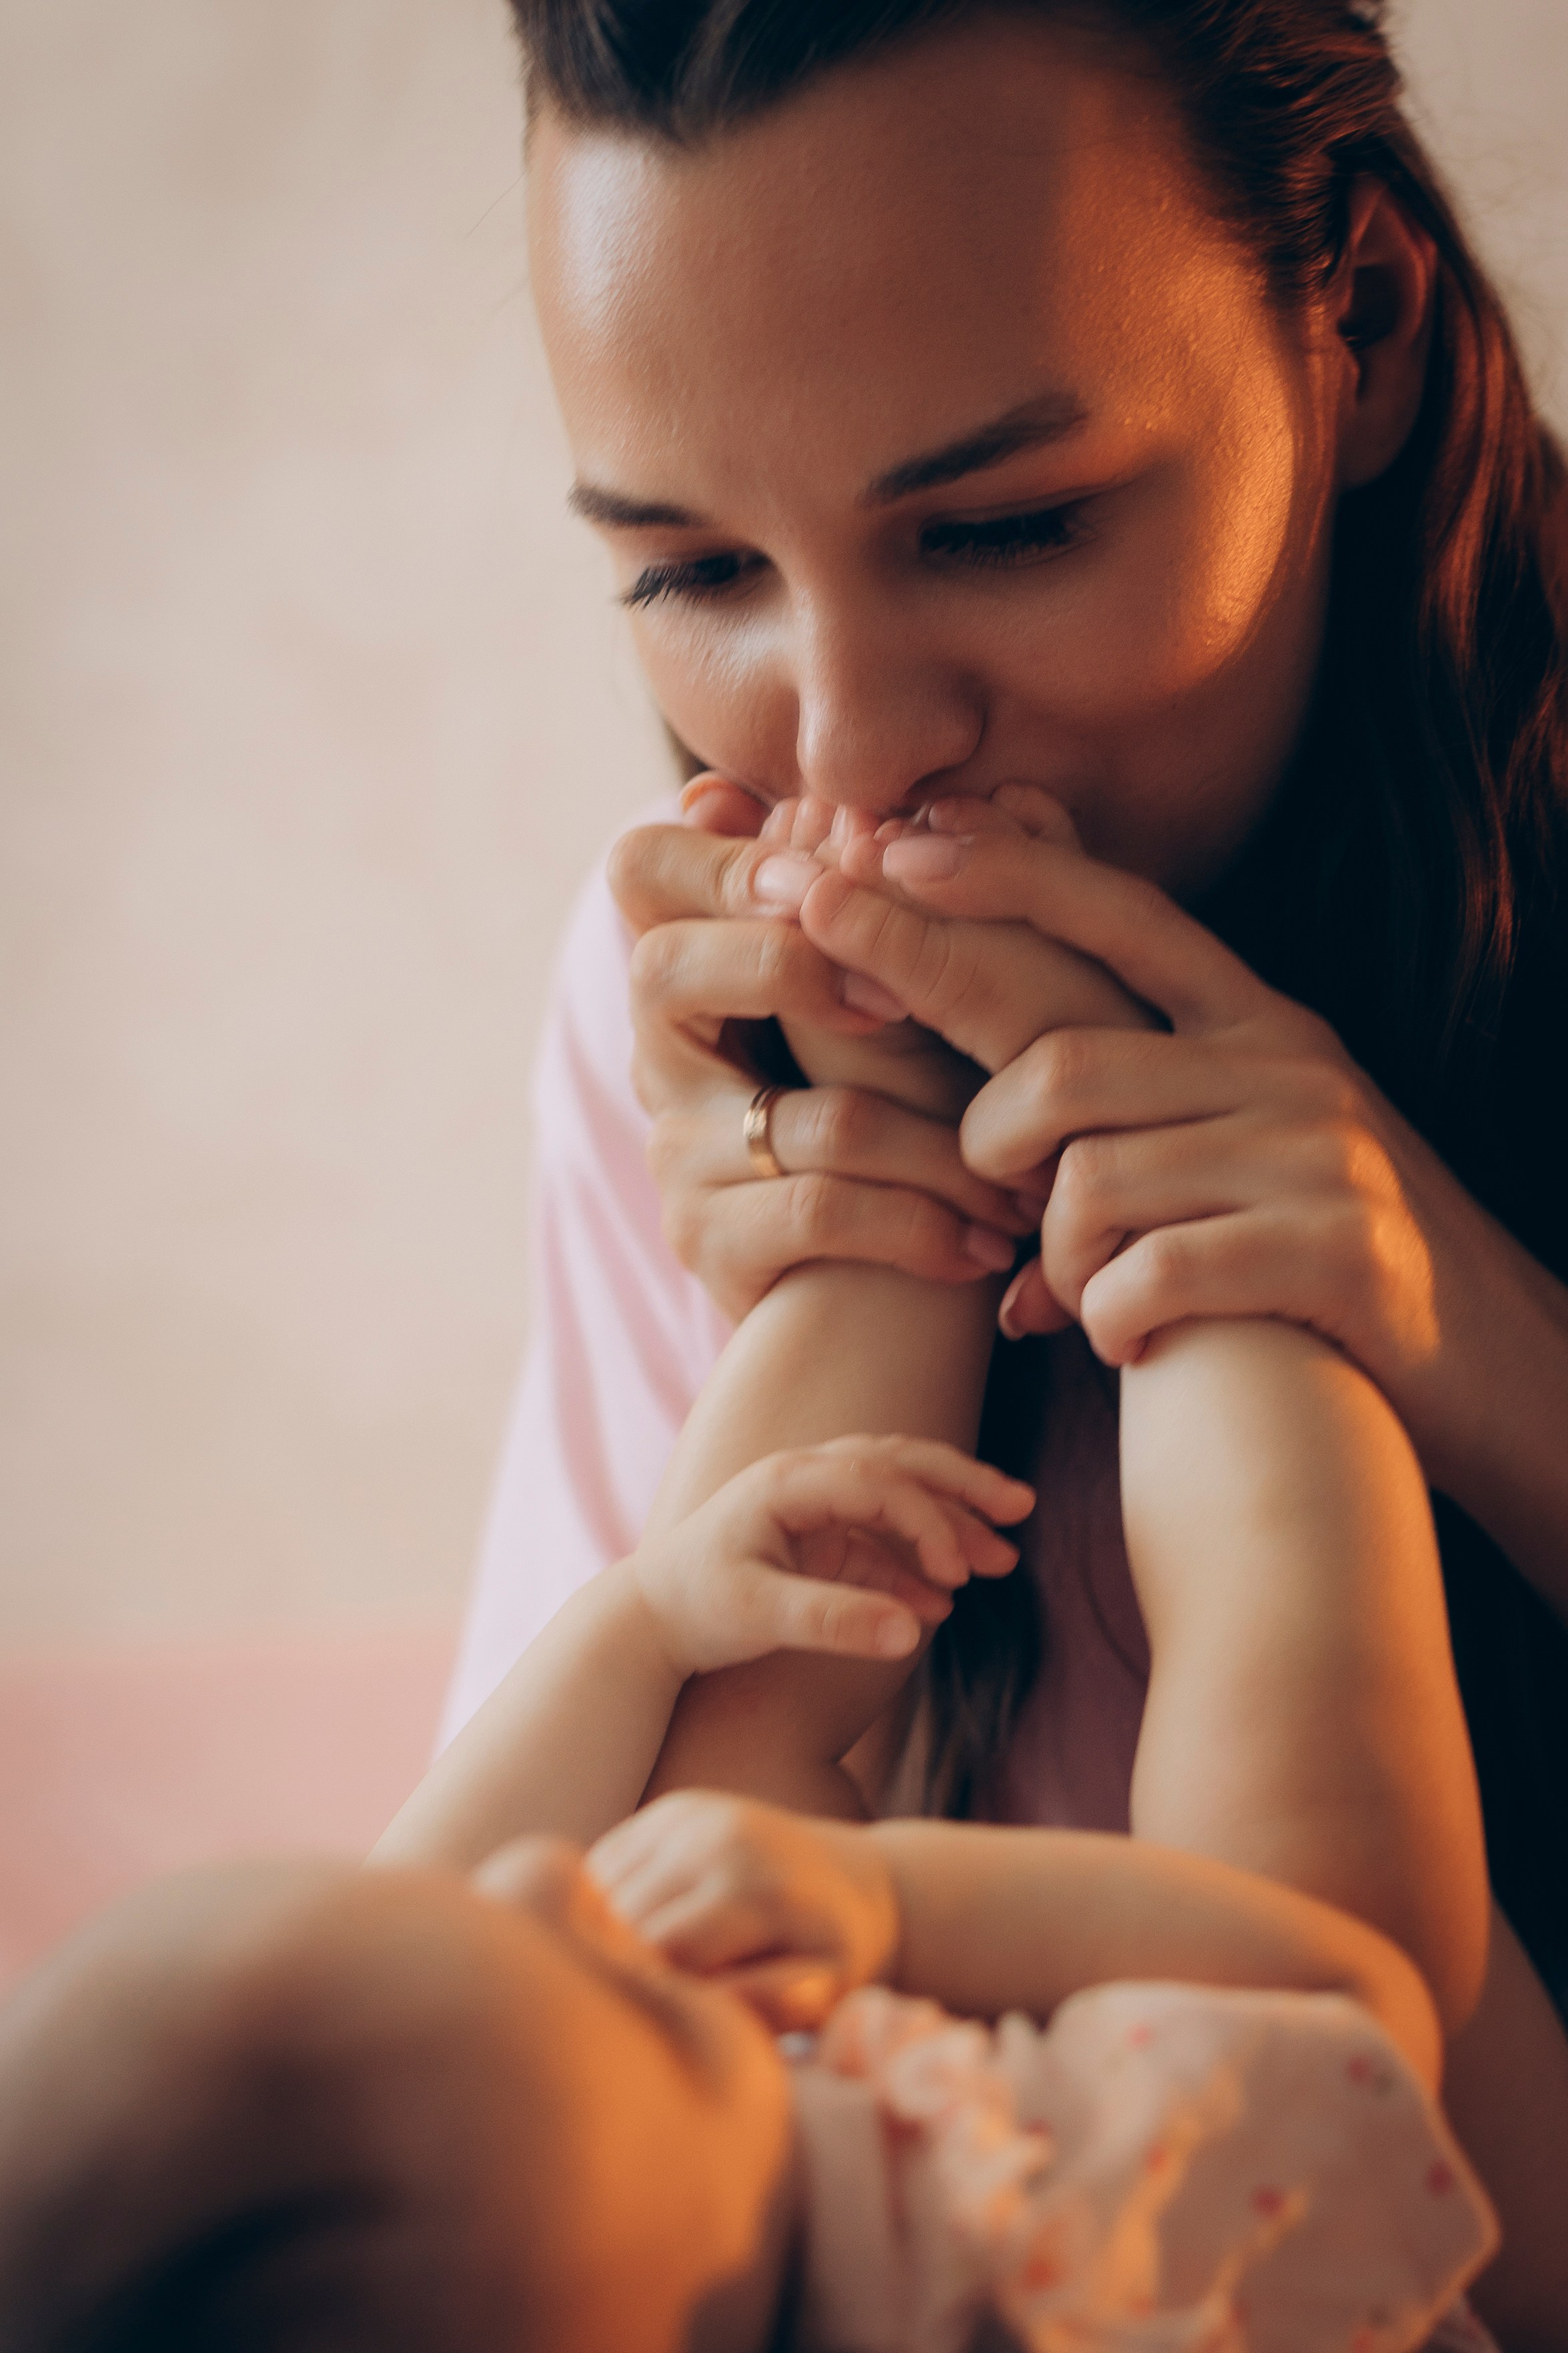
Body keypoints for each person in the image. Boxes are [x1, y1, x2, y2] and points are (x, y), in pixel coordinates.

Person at [433, 1, 1568, 2335]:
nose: (845, 741)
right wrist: (848, 1266)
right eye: (691, 570)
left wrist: (1455, 1323)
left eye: (1008, 524)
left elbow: (1322, 2009)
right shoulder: (676, 990)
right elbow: (536, 2000)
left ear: (1346, 318)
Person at [0, 1434, 1495, 2353]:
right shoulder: (1067, 2279)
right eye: (617, 2010)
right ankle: (1210, 1285)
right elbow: (1338, 1998)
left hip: (868, 2106)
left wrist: (650, 1616)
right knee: (1306, 1810)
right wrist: (885, 1901)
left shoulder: (580, 2227)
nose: (539, 1878)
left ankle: (884, 1188)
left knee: (716, 1714)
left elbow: (442, 1925)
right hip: (1265, 2164)